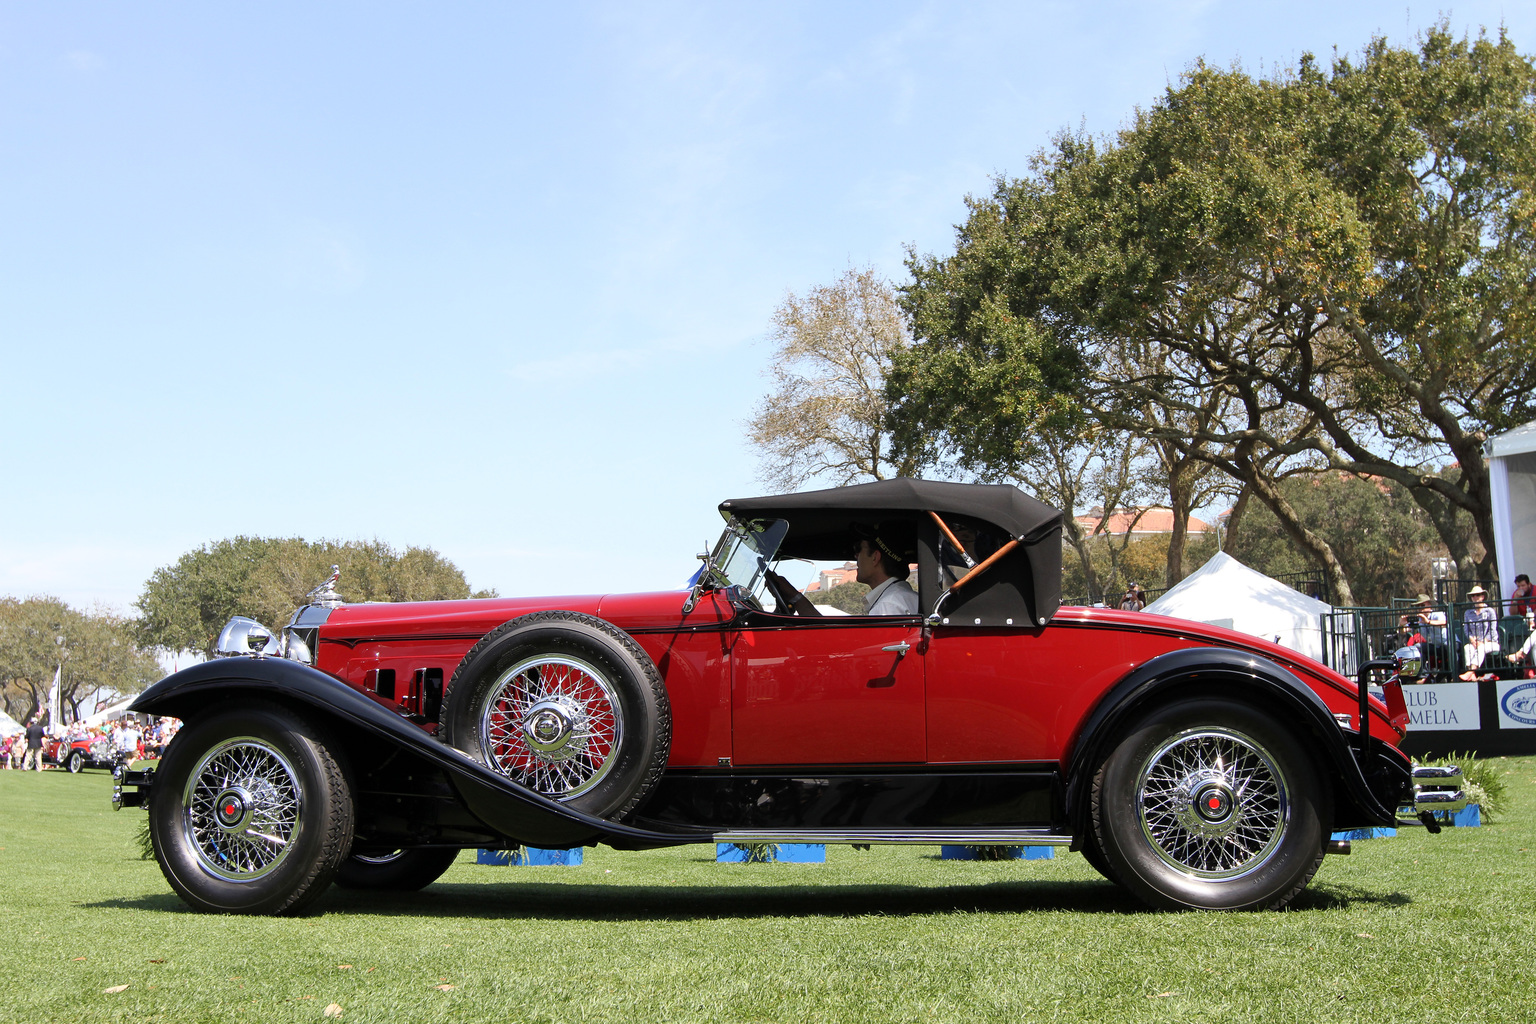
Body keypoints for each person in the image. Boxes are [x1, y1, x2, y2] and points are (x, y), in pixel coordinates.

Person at [853, 525, 919, 616]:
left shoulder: (887, 605)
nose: (856, 556)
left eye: (858, 549)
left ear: (875, 557)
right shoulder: (906, 597)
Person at [1461, 585, 1500, 677]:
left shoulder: (1490, 611)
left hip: (1490, 642)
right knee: (1467, 648)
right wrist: (1471, 639)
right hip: (1475, 642)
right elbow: (1466, 630)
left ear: (1482, 596)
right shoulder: (1468, 613)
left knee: (1481, 648)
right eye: (1473, 596)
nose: (1475, 597)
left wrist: (1483, 641)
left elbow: (1493, 629)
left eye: (1477, 595)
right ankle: (1472, 674)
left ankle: (1470, 672)